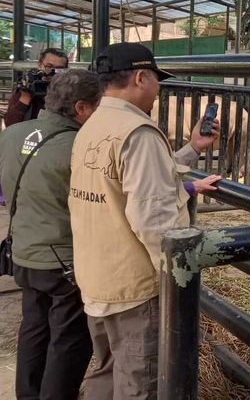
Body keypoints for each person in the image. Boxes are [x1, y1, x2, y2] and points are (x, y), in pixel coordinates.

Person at [68, 43, 219, 400]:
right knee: (142, 384)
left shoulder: (93, 126)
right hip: (134, 288)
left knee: (106, 374)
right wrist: (177, 282)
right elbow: (154, 220)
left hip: (97, 279)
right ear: (140, 77)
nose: (158, 90)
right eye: (156, 81)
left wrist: (192, 147)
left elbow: (129, 183)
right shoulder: (139, 133)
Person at [0, 69, 100, 400]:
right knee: (68, 341)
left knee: (34, 328)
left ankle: (27, 395)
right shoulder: (81, 147)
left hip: (24, 253)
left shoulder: (12, 135)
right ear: (82, 108)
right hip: (64, 262)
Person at [4, 47, 70, 127]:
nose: (53, 72)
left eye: (59, 69)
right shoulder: (29, 86)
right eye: (49, 67)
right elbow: (10, 124)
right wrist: (26, 97)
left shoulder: (70, 91)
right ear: (39, 65)